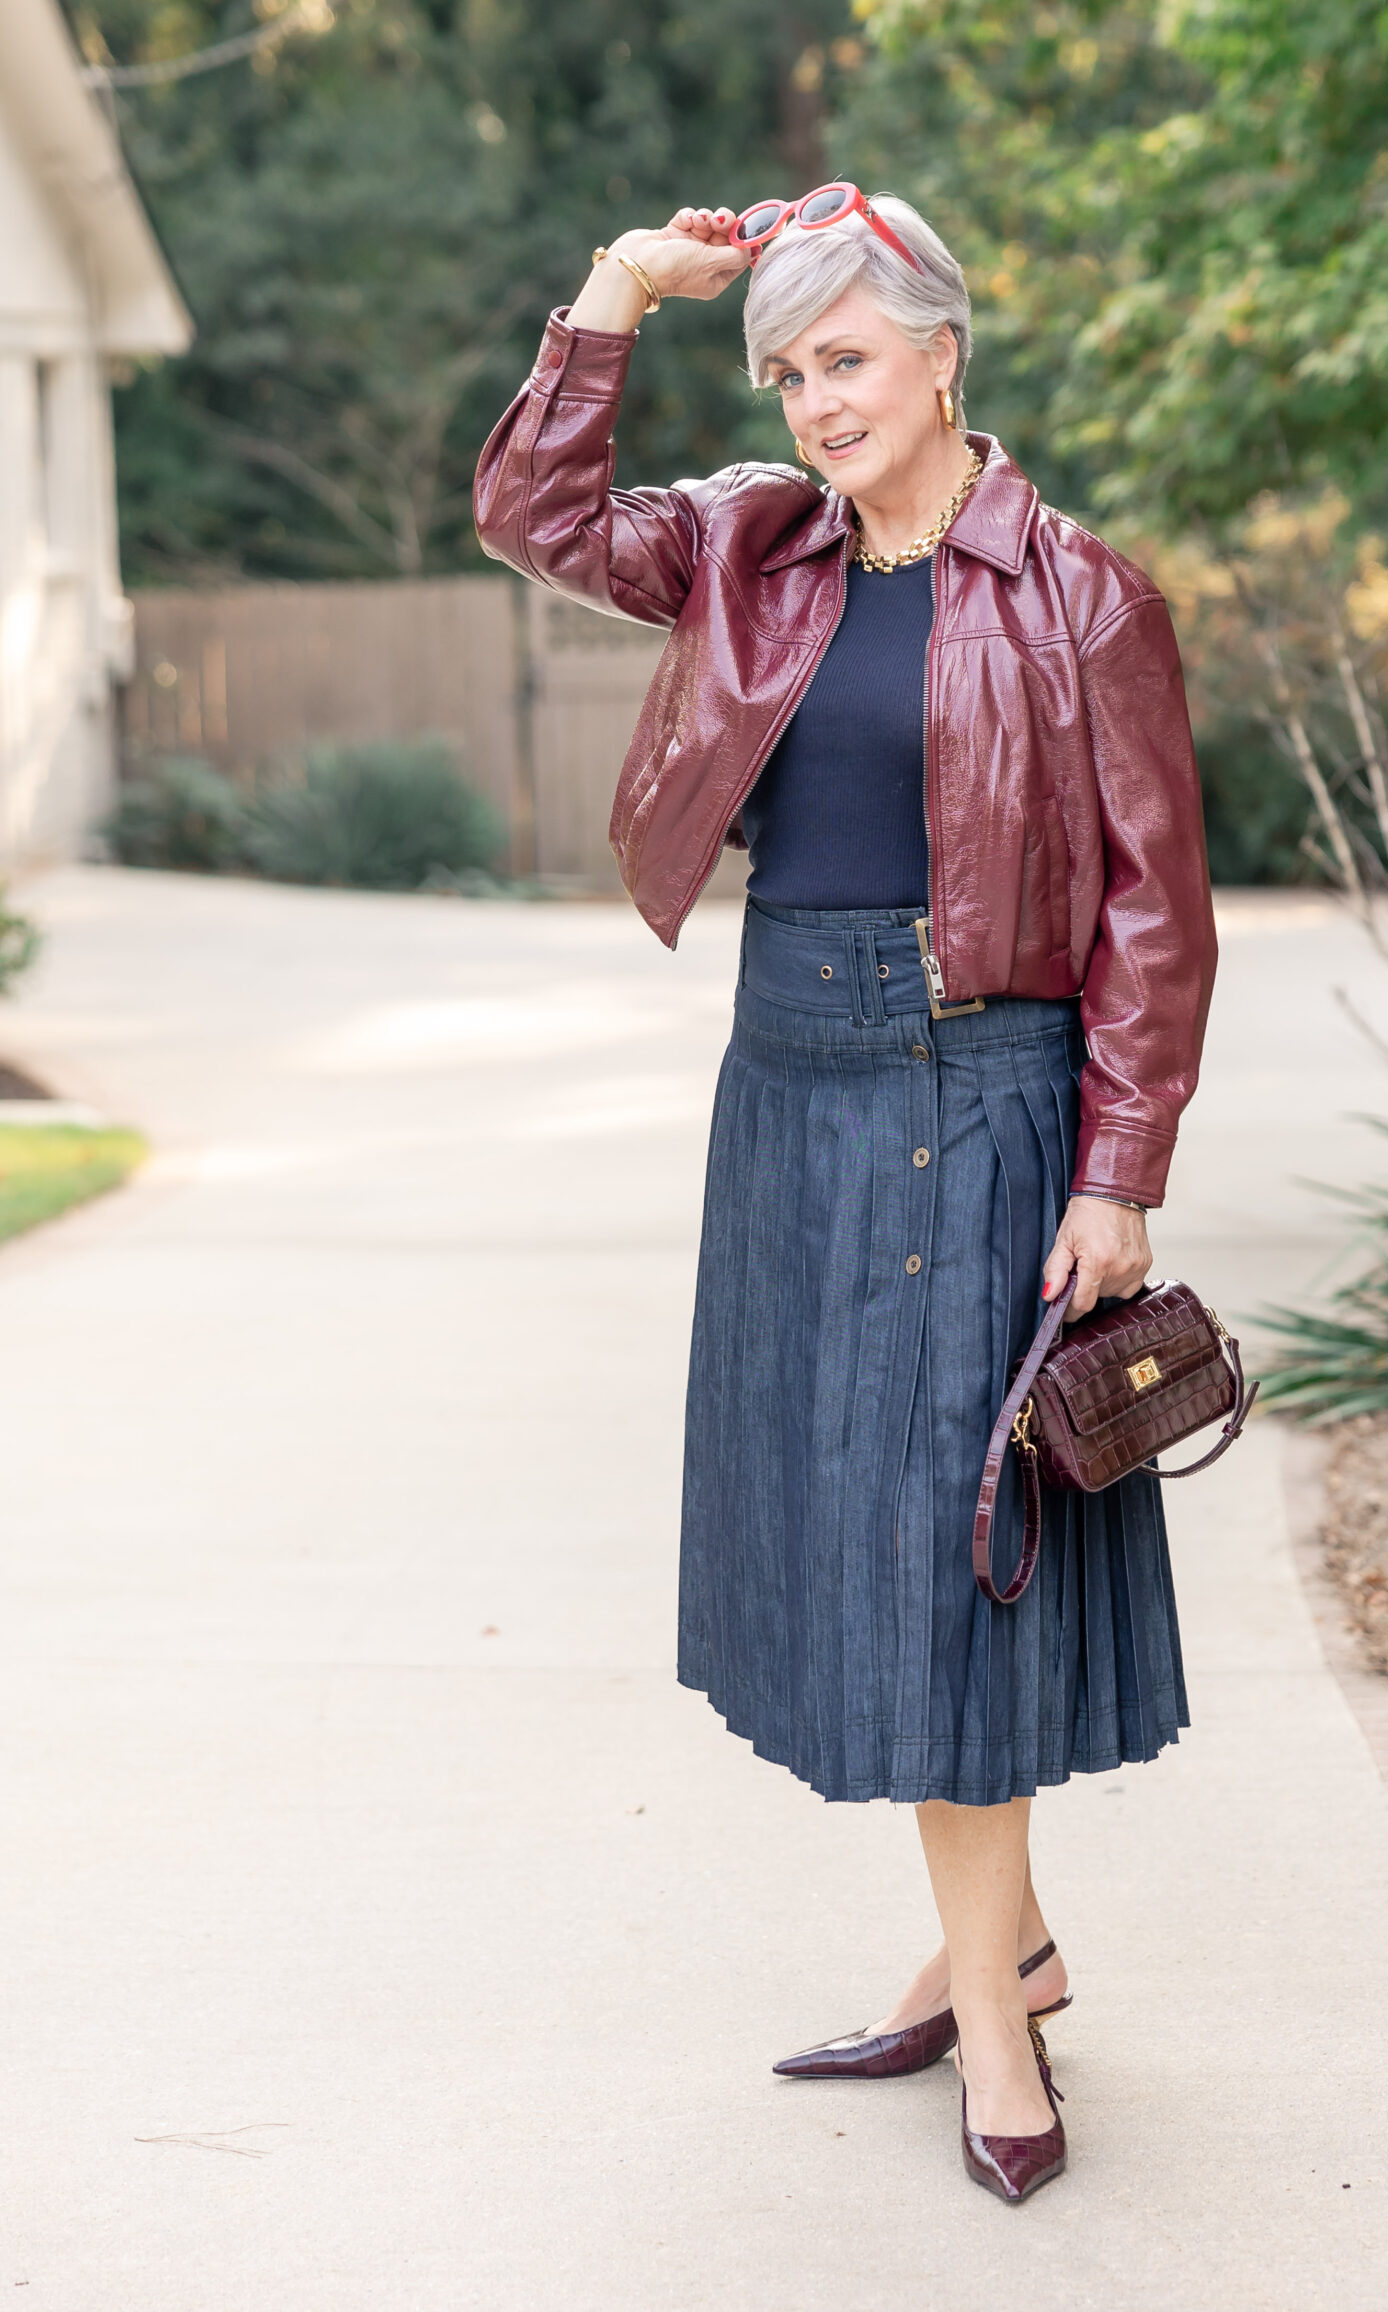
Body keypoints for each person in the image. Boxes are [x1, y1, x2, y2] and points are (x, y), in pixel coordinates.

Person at [474, 183, 1217, 2204]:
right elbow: (540, 520)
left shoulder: (1087, 597)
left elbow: (1156, 910)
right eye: (789, 366)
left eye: (849, 357)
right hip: (787, 1084)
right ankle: (1014, 1943)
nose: (816, 398)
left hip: (980, 1089)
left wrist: (1120, 1167)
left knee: (944, 1557)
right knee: (892, 1541)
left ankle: (993, 2020)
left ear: (945, 351)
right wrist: (616, 295)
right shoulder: (744, 549)